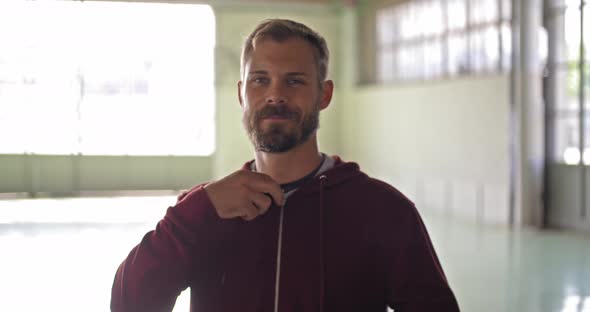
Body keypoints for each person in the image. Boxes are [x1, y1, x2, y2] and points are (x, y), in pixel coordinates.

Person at [110, 19, 460, 312]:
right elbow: (129, 303)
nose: (275, 94)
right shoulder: (206, 211)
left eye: (294, 81)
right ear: (241, 94)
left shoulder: (383, 211)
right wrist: (193, 214)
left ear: (324, 95)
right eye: (260, 80)